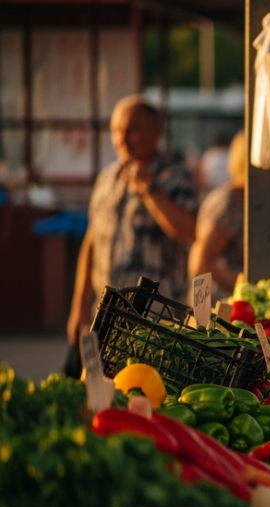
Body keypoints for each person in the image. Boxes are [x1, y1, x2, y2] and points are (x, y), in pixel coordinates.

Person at [67, 96, 198, 361]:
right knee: (93, 395)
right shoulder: (107, 178)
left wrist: (150, 190)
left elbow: (190, 232)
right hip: (104, 316)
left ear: (156, 132)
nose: (122, 139)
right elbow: (92, 242)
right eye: (116, 131)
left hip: (155, 324)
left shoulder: (174, 176)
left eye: (132, 130)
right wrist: (79, 305)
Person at [190, 130, 247, 298]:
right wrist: (245, 289)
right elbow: (202, 262)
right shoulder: (228, 202)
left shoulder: (246, 199)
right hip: (221, 309)